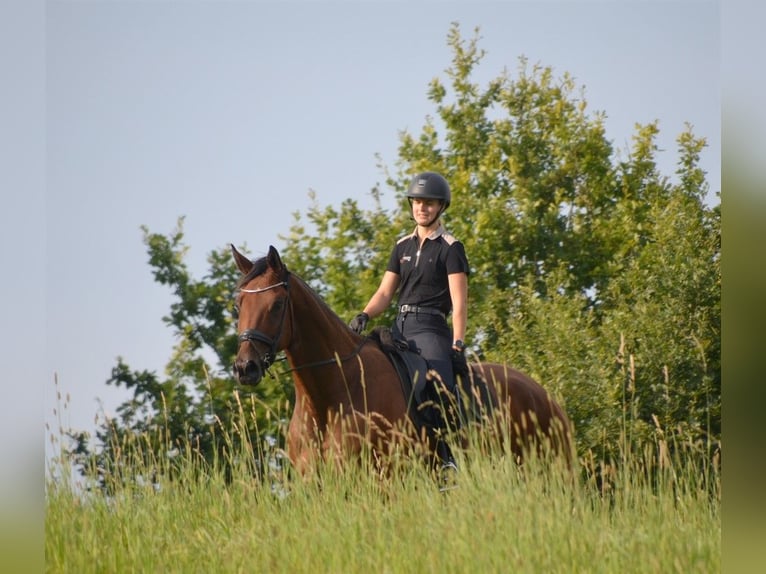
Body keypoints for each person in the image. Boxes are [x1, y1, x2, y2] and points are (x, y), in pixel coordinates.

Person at [349, 171, 470, 473]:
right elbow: (385, 292)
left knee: (441, 386)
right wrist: (365, 313)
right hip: (400, 327)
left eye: (428, 203)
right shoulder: (401, 246)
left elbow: (459, 303)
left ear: (441, 207)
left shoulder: (451, 248)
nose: (421, 208)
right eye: (417, 202)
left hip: (431, 330)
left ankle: (446, 458)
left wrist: (457, 343)